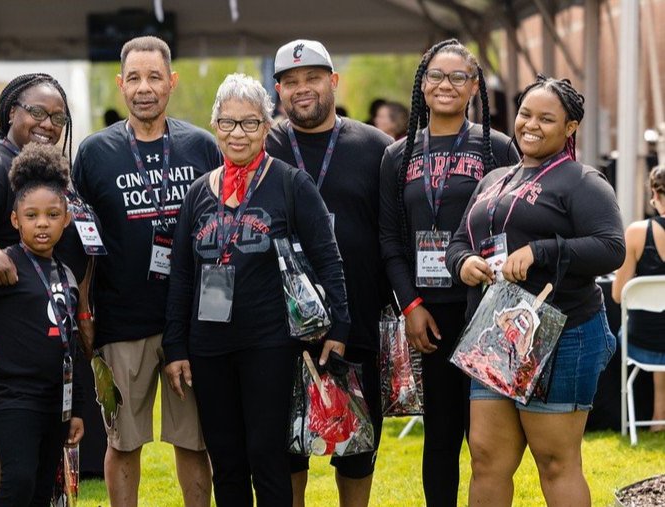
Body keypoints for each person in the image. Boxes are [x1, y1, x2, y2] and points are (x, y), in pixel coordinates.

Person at [163, 72, 350, 507]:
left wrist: (339, 326)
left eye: (249, 123)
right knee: (226, 462)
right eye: (228, 123)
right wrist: (175, 346)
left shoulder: (289, 183)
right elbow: (182, 276)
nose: (238, 133)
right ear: (215, 126)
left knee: (267, 457)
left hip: (269, 342)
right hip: (208, 345)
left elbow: (328, 257)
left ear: (267, 127)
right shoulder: (197, 194)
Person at [446, 75, 624, 506]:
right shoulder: (494, 179)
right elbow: (458, 240)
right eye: (526, 114)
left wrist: (541, 251)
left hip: (563, 334)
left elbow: (611, 247)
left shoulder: (582, 181)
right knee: (486, 458)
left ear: (570, 128)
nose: (531, 124)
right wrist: (462, 263)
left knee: (555, 461)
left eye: (547, 118)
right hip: (496, 336)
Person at [71, 35, 220, 507]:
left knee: (194, 442)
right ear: (120, 85)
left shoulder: (202, 146)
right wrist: (84, 312)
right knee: (123, 442)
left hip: (190, 324)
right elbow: (82, 245)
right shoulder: (95, 154)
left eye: (154, 76)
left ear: (171, 82)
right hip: (121, 320)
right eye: (134, 78)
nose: (144, 87)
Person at [378, 38, 519, 506]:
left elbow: (512, 227)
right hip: (428, 316)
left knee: (486, 438)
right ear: (422, 83)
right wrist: (410, 305)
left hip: (483, 312)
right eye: (436, 75)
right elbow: (390, 240)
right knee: (440, 437)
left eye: (458, 77)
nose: (446, 85)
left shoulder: (497, 148)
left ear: (474, 85)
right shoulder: (397, 156)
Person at [265, 39, 392, 507]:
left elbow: (391, 236)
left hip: (354, 319)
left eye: (313, 78)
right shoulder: (265, 145)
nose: (303, 89)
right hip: (278, 326)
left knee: (357, 447)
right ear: (278, 91)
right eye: (291, 82)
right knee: (286, 450)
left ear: (333, 81)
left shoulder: (377, 149)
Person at [0, 72, 85, 506]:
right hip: (2, 340)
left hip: (45, 331)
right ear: (13, 111)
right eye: (37, 112)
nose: (48, 123)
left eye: (58, 117)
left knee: (39, 455)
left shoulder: (48, 173)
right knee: (4, 451)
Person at [612, 164, 665, 431]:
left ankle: (657, 418)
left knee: (652, 324)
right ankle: (659, 416)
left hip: (641, 342)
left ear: (654, 194)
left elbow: (618, 295)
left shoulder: (636, 233)